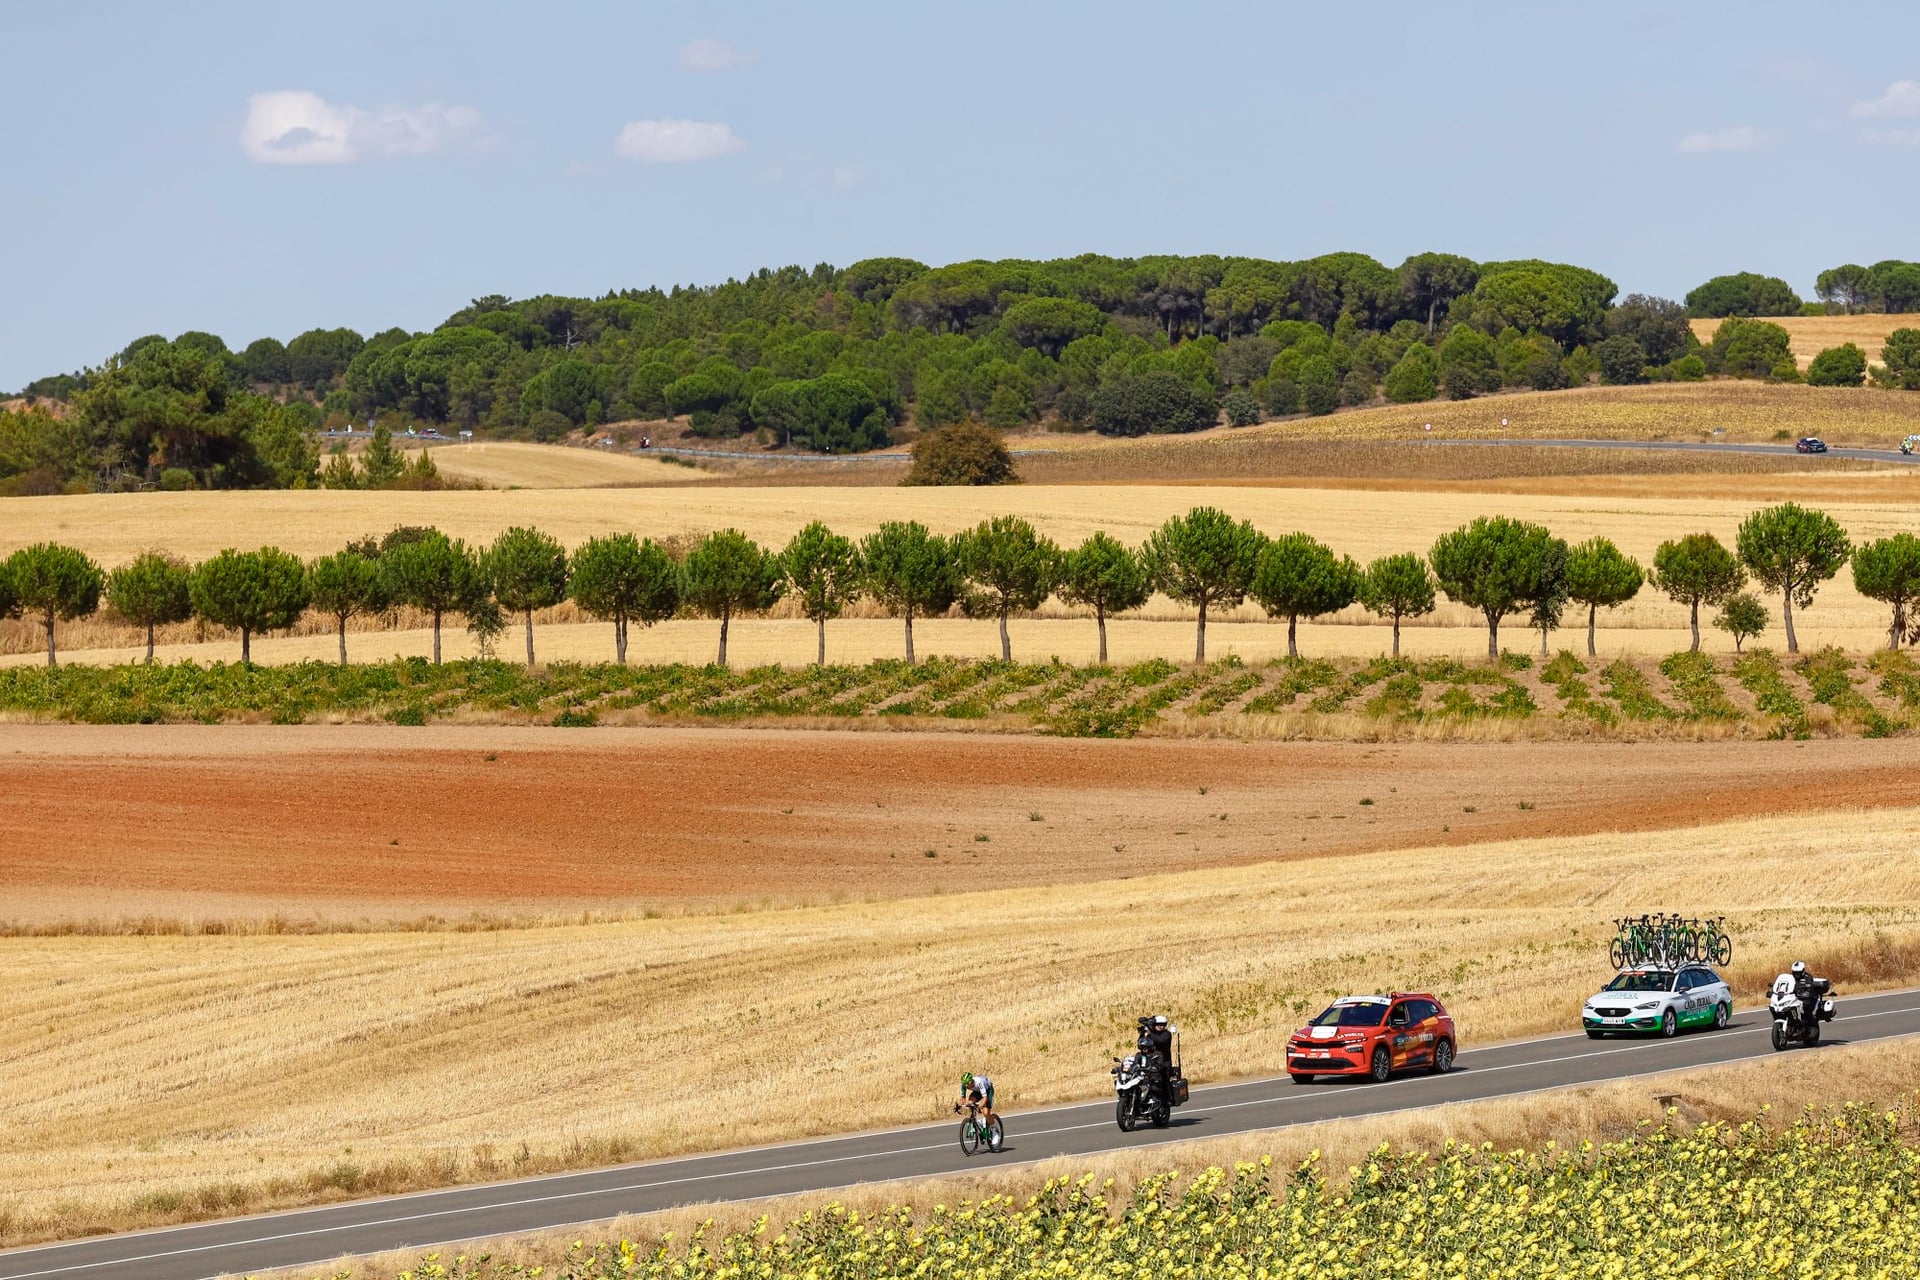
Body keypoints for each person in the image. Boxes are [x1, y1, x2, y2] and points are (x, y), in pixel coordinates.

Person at [957, 1070, 995, 1136]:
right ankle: (973, 1122)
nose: (966, 1086)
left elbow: (985, 1098)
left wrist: (980, 1107)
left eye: (967, 1084)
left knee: (985, 1112)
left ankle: (993, 1129)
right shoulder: (964, 1084)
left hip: (988, 1090)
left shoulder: (979, 1083)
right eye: (964, 1084)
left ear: (971, 1082)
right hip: (977, 1092)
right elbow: (963, 1098)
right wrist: (960, 1105)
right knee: (970, 1103)